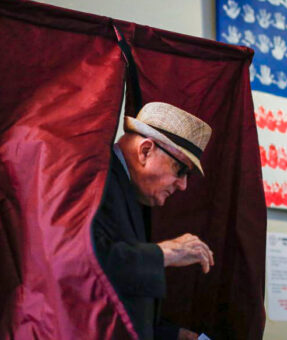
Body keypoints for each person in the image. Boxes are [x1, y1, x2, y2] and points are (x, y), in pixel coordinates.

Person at [92, 102, 215, 340]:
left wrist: (173, 335)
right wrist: (163, 253)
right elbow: (81, 265)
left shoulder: (126, 187)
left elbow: (121, 299)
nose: (183, 185)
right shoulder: (96, 177)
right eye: (180, 170)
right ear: (145, 150)